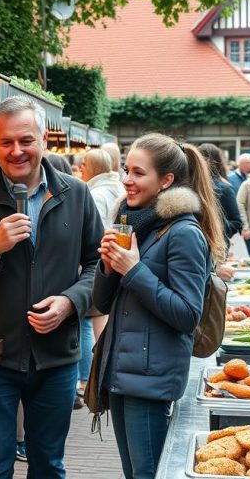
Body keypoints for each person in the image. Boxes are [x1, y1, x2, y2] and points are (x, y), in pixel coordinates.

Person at [0, 96, 103, 479]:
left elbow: (99, 266)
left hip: (56, 357)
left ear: (43, 138)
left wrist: (69, 302)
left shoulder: (75, 194)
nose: (16, 151)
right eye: (5, 142)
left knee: (48, 465)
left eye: (25, 140)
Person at [94, 135, 224, 479]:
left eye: (139, 173)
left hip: (151, 378)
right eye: (126, 170)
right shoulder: (137, 224)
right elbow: (101, 303)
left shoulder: (183, 233)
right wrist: (108, 266)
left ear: (165, 181)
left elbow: (186, 315)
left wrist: (133, 270)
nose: (127, 179)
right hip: (122, 371)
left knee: (149, 473)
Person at [75, 148, 122, 408]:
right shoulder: (115, 188)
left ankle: (85, 377)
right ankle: (100, 366)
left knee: (84, 319)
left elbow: (90, 232)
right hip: (110, 263)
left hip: (96, 262)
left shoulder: (94, 193)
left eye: (83, 165)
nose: (80, 169)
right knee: (99, 315)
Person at [197, 143, 243, 244]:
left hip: (215, 246)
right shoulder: (189, 185)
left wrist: (214, 227)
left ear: (212, 161)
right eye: (199, 158)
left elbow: (236, 223)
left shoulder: (224, 188)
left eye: (204, 158)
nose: (200, 162)